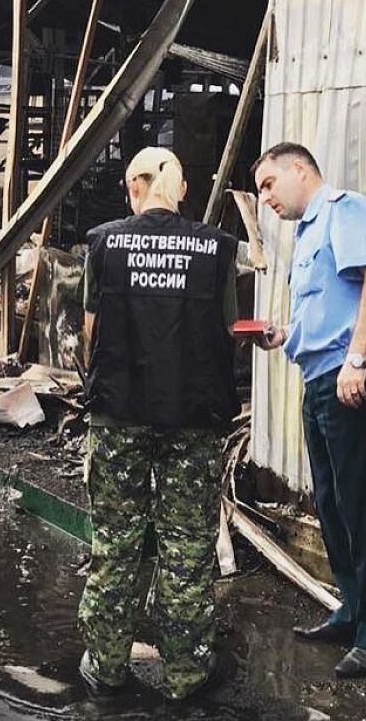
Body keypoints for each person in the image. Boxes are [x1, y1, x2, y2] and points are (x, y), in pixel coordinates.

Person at [78, 146, 239, 701]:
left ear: (135, 185)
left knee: (115, 540)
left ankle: (106, 667)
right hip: (192, 417)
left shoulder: (103, 244)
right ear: (178, 186)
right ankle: (186, 673)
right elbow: (227, 333)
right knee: (188, 544)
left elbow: (89, 333)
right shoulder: (218, 250)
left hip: (120, 413)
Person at [252, 142, 366, 678]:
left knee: (364, 502)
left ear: (300, 169)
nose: (264, 197)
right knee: (334, 504)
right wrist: (282, 335)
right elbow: (326, 313)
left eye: (269, 183)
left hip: (351, 375)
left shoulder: (346, 209)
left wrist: (359, 358)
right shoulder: (306, 233)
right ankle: (355, 610)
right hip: (320, 376)